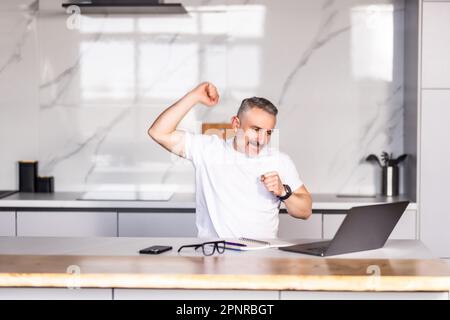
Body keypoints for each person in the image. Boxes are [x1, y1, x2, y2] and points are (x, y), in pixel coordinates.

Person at [148, 82, 312, 238]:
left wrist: (283, 192)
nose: (262, 140)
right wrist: (194, 96)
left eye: (268, 133)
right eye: (255, 129)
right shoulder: (208, 150)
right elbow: (159, 132)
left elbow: (306, 211)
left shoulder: (280, 161)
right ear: (235, 124)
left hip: (263, 258)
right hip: (214, 256)